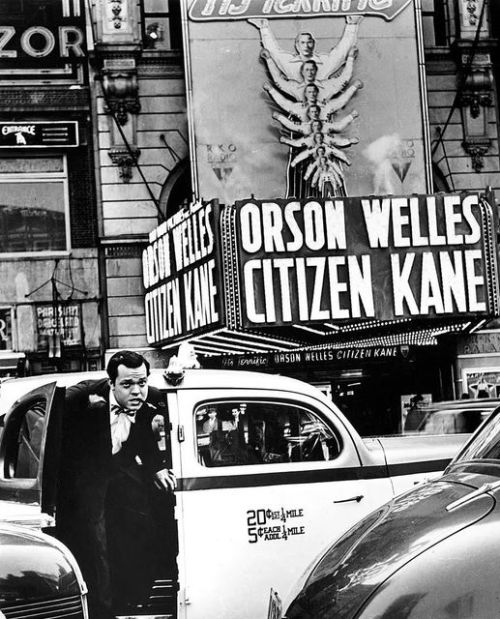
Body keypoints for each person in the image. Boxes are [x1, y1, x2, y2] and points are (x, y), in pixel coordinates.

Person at [56, 350, 176, 619]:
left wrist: (157, 468)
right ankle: (103, 607)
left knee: (143, 524)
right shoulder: (82, 397)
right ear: (111, 384)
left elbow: (146, 431)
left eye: (142, 383)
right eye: (127, 384)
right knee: (95, 540)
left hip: (120, 470)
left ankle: (136, 596)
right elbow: (48, 417)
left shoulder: (150, 397)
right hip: (86, 474)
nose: (137, 391)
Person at [248, 15, 361, 81]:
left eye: (309, 42)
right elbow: (274, 52)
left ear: (314, 44)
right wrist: (263, 27)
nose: (306, 46)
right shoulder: (289, 63)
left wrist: (352, 25)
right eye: (302, 42)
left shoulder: (324, 62)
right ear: (297, 45)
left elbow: (341, 52)